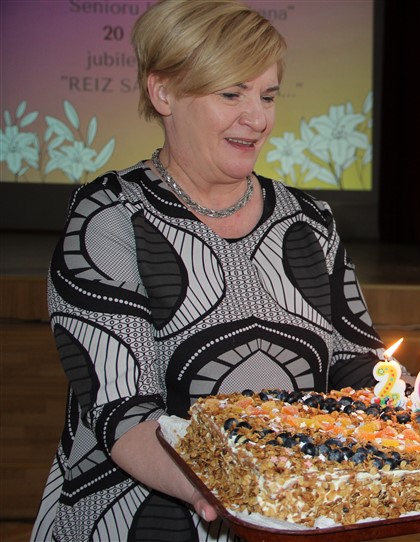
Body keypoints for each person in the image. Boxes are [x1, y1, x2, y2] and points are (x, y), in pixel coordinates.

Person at [32, 1, 390, 540]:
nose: (258, 117)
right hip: (140, 523)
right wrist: (226, 487)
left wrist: (415, 409)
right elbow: (123, 413)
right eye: (231, 94)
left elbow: (356, 366)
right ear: (163, 93)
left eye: (267, 95)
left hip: (292, 516)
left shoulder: (309, 220)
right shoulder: (111, 217)